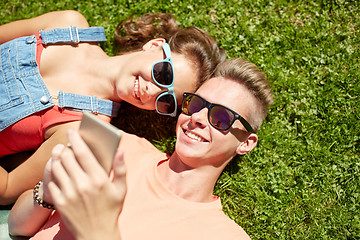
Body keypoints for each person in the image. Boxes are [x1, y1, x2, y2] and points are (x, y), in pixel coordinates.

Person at [8, 57, 274, 240]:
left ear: (245, 143)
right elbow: (17, 225)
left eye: (221, 118)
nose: (198, 119)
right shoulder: (120, 146)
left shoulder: (223, 235)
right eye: (195, 105)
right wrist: (47, 191)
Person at [0, 10, 225, 205]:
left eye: (166, 100)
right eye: (163, 74)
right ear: (155, 46)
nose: (152, 92)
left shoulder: (83, 129)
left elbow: (7, 189)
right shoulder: (68, 25)